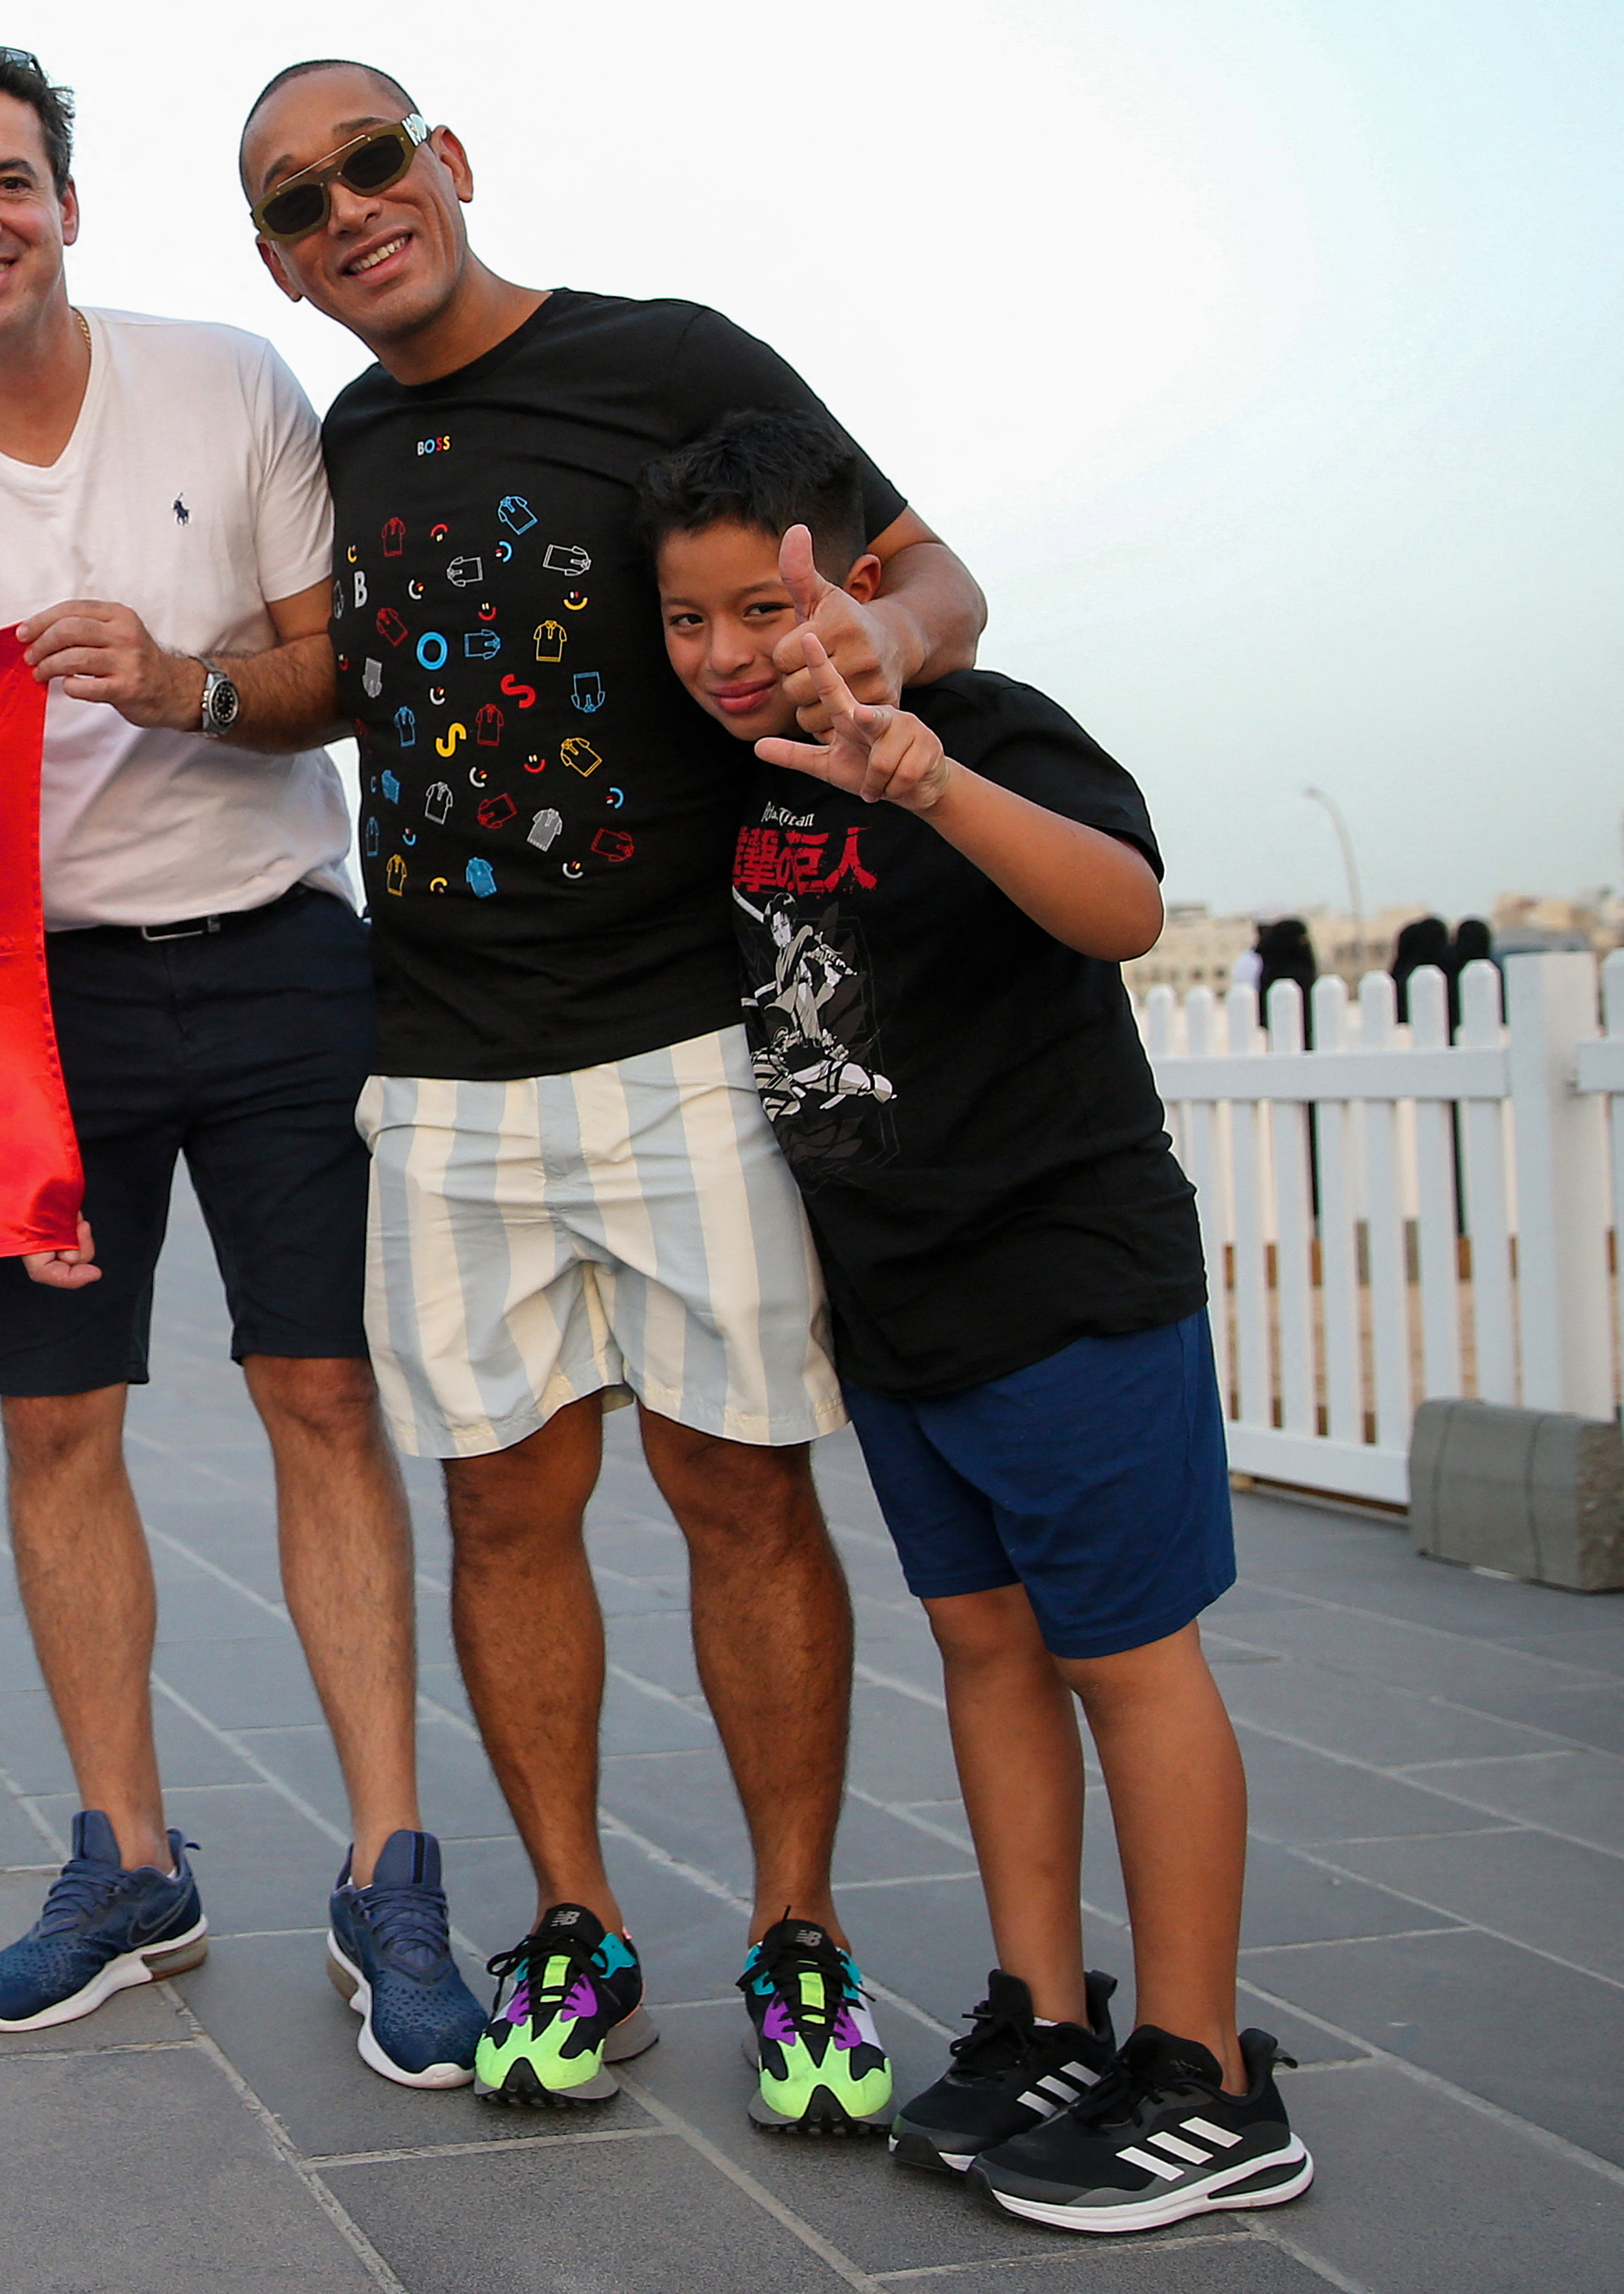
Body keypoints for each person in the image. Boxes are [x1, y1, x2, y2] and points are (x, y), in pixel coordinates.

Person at [239, 59, 991, 2127]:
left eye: (373, 164)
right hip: (446, 1073)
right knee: (504, 1511)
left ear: (451, 166)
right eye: (298, 205)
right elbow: (326, 674)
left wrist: (875, 667)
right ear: (285, 268)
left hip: (685, 1050)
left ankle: (798, 1936)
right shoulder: (348, 439)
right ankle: (575, 1924)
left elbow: (936, 579)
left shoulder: (668, 360)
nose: (349, 211)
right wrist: (190, 681)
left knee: (742, 1490)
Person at [0, 45, 474, 2088]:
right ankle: (132, 1858)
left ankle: (389, 1867)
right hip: (39, 995)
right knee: (55, 1423)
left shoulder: (227, 386)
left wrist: (179, 685)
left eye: (12, 178)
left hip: (278, 954)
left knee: (324, 1391)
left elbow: (337, 663)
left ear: (69, 204)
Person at [644, 407, 1310, 2232]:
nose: (719, 655)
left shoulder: (987, 727)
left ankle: (1207, 2072)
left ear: (854, 582)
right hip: (904, 1314)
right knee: (990, 1648)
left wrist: (925, 778)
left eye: (751, 612)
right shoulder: (744, 783)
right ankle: (1048, 2014)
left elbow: (1123, 908)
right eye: (684, 621)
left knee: (1127, 1659)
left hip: (1063, 1279)